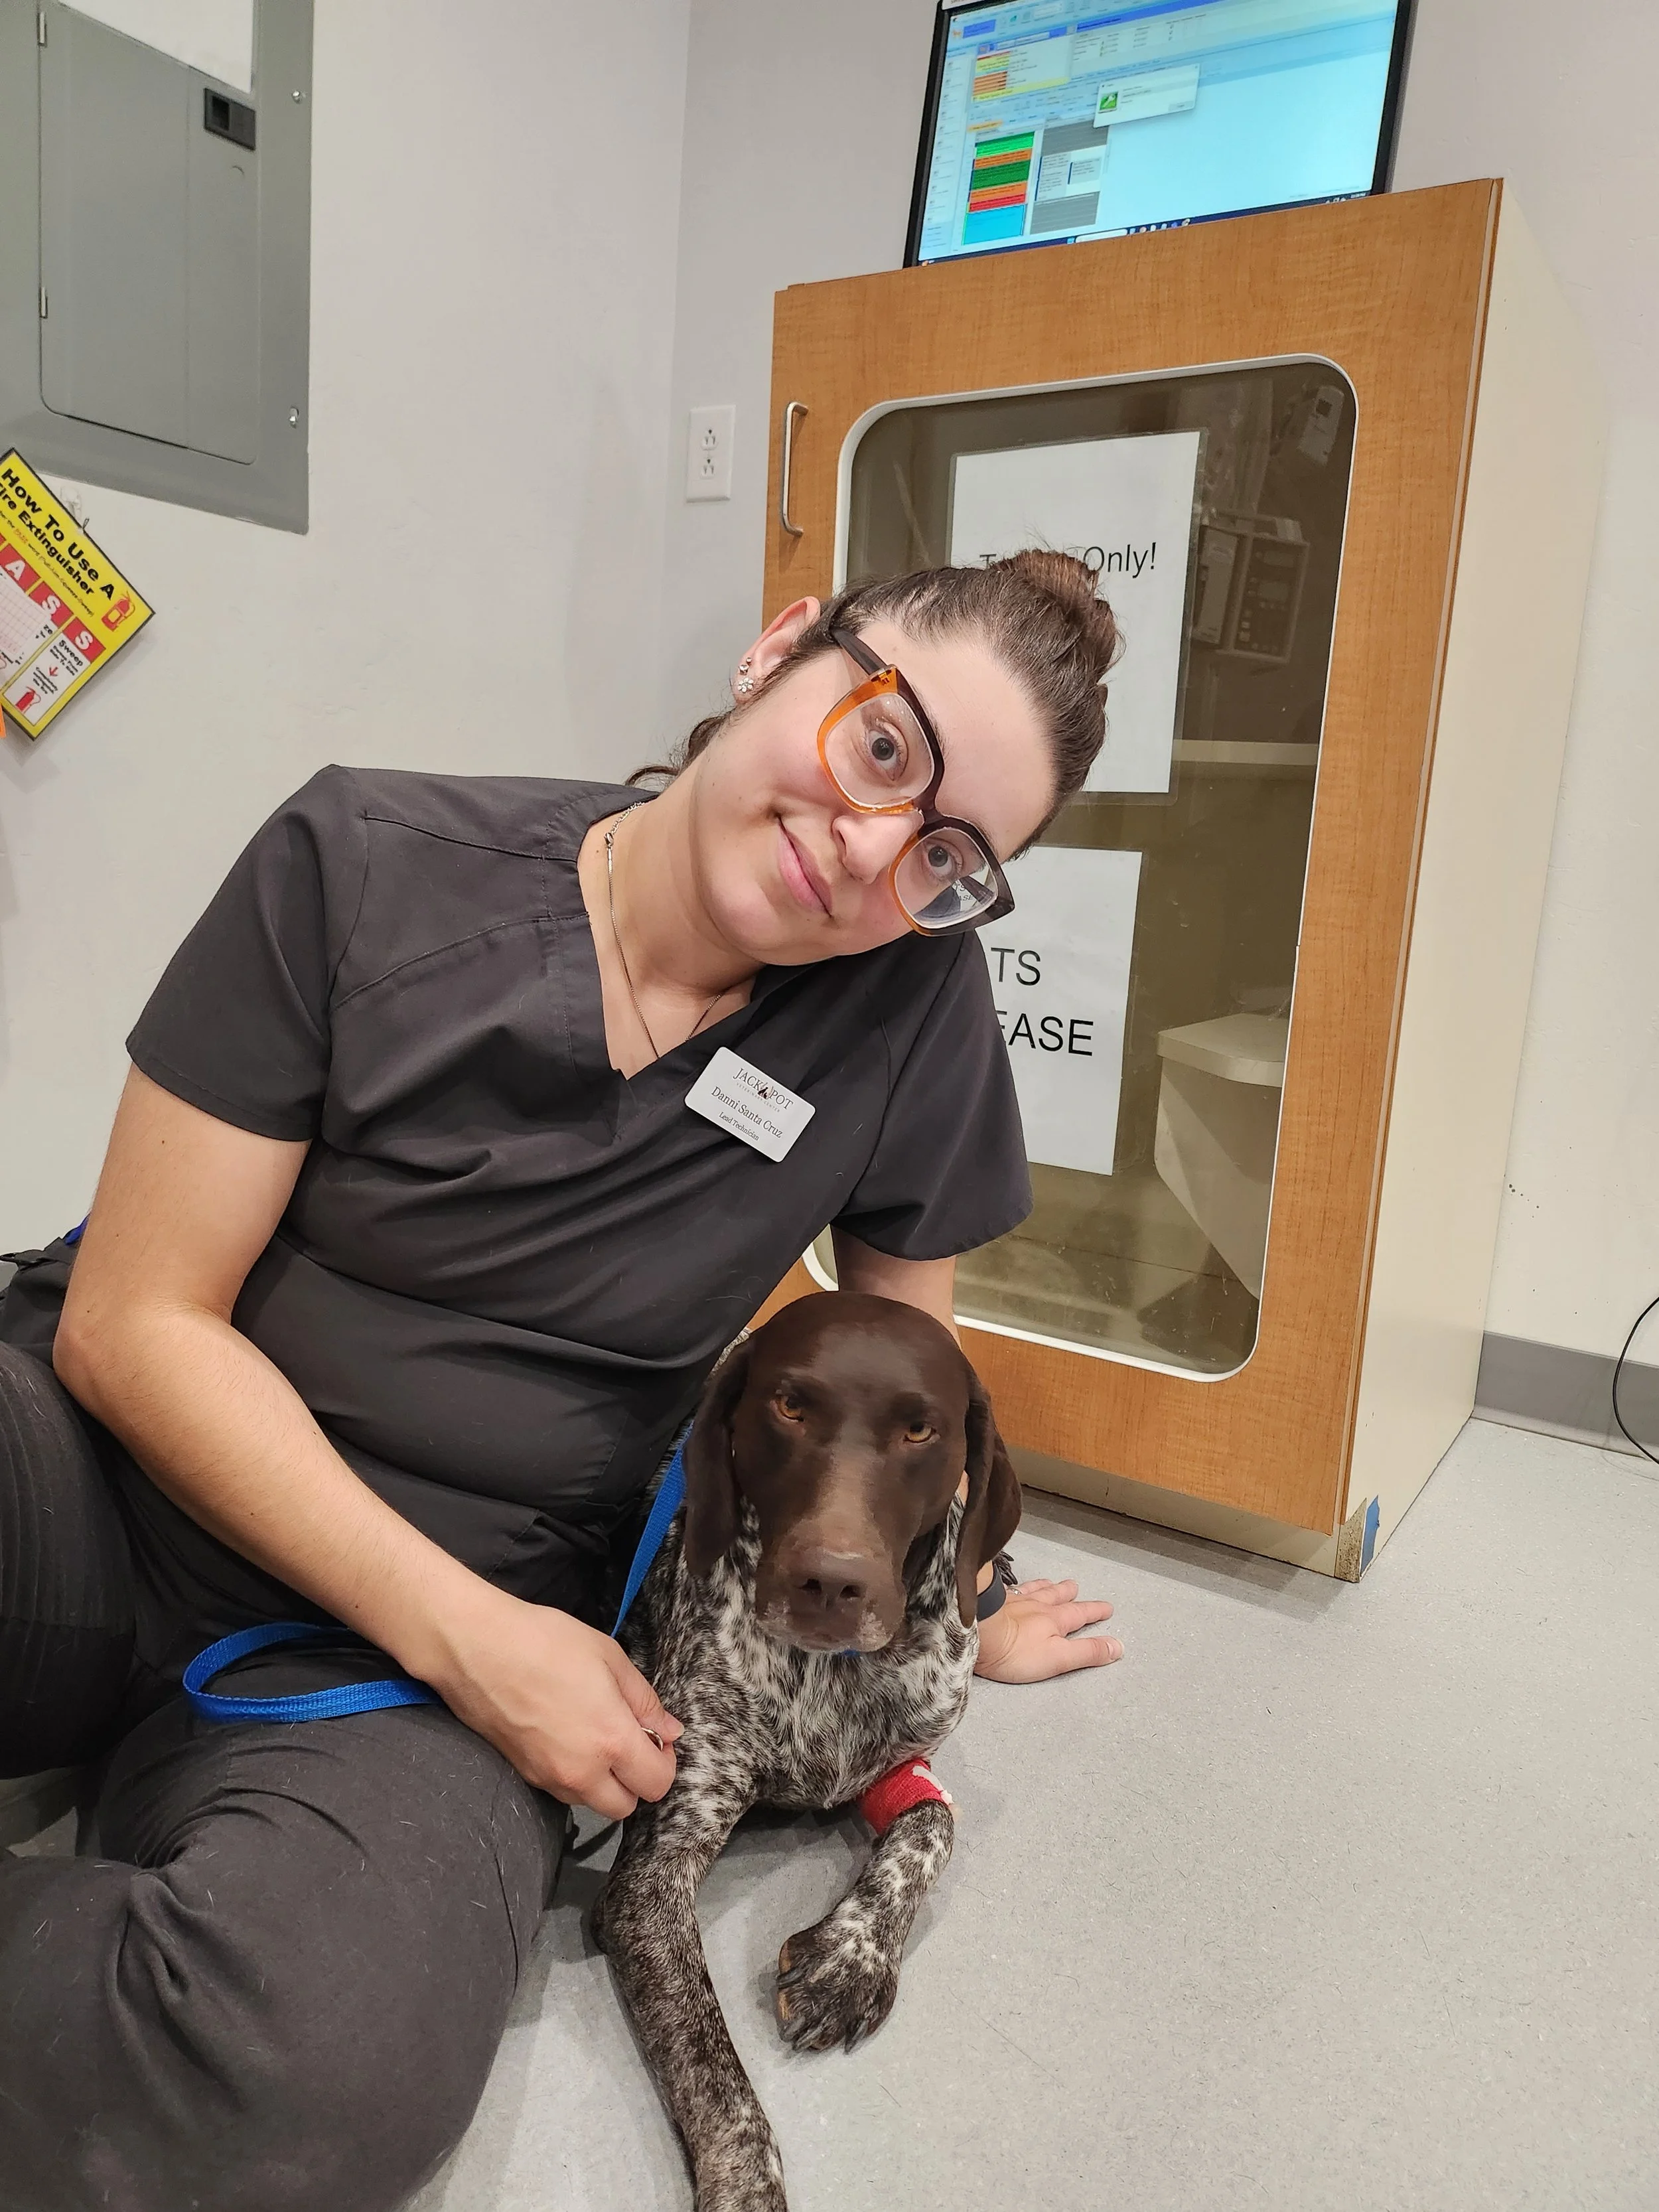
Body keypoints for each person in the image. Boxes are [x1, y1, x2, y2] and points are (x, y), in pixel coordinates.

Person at [0, 555, 1125, 2212]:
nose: (877, 848)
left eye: (952, 859)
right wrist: (463, 1633)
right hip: (112, 1489)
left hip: (428, 1675)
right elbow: (133, 1323)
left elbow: (902, 1386)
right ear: (781, 649)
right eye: (884, 749)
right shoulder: (364, 863)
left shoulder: (907, 1013)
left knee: (310, 2072)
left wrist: (949, 1586)